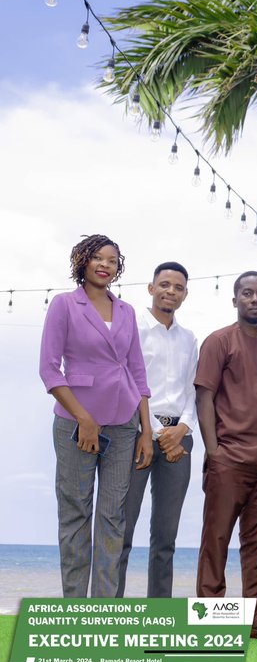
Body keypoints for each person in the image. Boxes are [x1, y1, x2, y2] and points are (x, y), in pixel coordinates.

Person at [39, 234, 154, 597]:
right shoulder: (64, 305)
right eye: (98, 258)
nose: (105, 265)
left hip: (123, 423)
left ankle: (104, 610)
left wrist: (146, 430)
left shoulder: (127, 311)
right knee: (75, 513)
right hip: (75, 424)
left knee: (112, 516)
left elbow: (138, 373)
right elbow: (49, 370)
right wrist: (84, 419)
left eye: (112, 260)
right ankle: (76, 608)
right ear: (82, 261)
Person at [195, 271, 257, 641]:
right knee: (215, 540)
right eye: (247, 293)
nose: (254, 299)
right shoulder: (218, 341)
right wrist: (213, 451)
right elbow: (204, 397)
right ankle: (211, 621)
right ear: (235, 300)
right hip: (229, 460)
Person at [117, 262, 199, 598]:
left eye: (178, 287)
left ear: (185, 294)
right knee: (121, 532)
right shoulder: (132, 329)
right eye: (164, 284)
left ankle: (159, 612)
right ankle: (111, 610)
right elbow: (129, 382)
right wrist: (153, 431)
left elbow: (192, 389)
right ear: (151, 288)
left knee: (166, 538)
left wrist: (183, 428)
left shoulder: (189, 338)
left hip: (180, 441)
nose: (171, 292)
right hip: (138, 437)